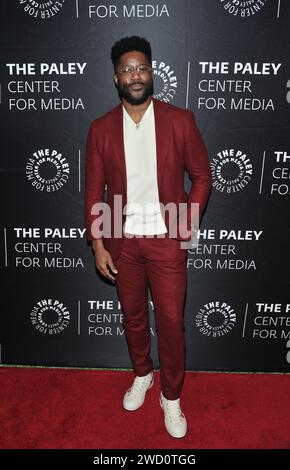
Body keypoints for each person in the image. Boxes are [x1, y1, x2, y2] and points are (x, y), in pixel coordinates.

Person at [85, 36, 212, 438]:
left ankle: (170, 397)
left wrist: (184, 225)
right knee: (134, 317)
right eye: (127, 69)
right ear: (115, 77)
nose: (134, 75)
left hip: (166, 240)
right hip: (124, 243)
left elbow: (202, 177)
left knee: (172, 321)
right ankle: (143, 373)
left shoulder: (179, 120)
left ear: (151, 72)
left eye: (141, 67)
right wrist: (100, 243)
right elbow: (93, 191)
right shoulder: (101, 128)